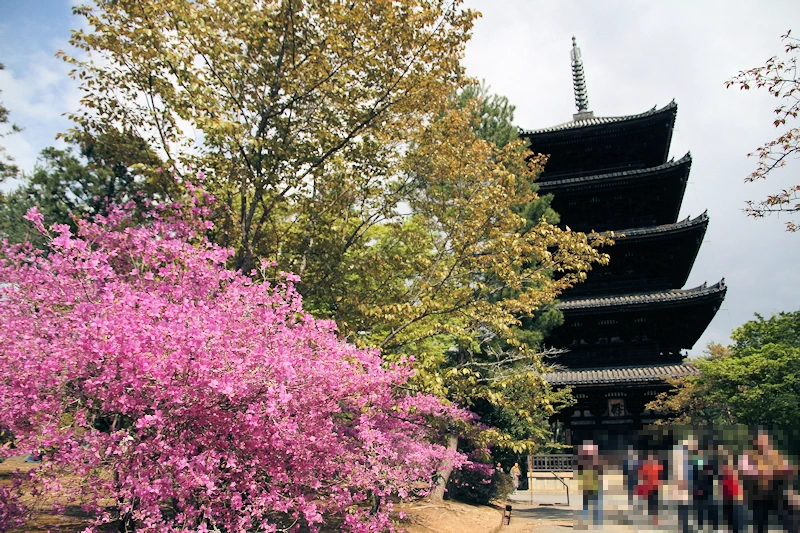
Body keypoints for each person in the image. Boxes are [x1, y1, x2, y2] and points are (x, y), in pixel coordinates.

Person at [740, 430, 799, 533]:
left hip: (777, 494)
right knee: (760, 523)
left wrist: (790, 470)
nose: (764, 443)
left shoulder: (776, 455)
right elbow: (745, 472)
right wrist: (769, 472)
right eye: (761, 440)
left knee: (789, 520)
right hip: (758, 495)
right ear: (755, 442)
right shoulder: (748, 456)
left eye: (765, 440)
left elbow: (786, 468)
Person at [577, 442, 602, 527]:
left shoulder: (583, 461)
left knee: (588, 503)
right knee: (595, 503)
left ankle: (588, 521)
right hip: (593, 483)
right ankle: (596, 522)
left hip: (588, 483)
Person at [720, 449, 745, 533]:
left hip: (736, 499)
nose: (726, 459)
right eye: (724, 458)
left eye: (727, 457)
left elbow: (740, 483)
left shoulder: (736, 469)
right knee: (730, 523)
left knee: (737, 524)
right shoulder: (724, 469)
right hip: (727, 499)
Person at [637, 451, 663, 526]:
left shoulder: (655, 465)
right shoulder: (647, 466)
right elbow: (641, 475)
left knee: (654, 503)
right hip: (649, 487)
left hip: (655, 486)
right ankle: (653, 517)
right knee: (651, 503)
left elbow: (660, 474)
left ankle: (654, 518)